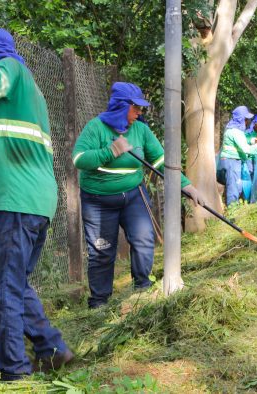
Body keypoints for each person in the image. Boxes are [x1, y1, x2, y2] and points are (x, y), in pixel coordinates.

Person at [0, 19, 72, 380]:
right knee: (14, 282)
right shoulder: (30, 89)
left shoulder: (10, 69)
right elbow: (23, 141)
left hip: (18, 202)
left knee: (2, 288)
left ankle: (12, 369)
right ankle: (52, 350)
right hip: (35, 200)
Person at [72, 82, 204, 309]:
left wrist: (186, 186)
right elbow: (79, 159)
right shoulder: (96, 128)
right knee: (102, 251)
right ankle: (99, 303)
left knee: (143, 241)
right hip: (98, 200)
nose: (140, 113)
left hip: (133, 195)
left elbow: (161, 161)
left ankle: (142, 291)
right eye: (136, 108)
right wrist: (110, 151)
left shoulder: (141, 130)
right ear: (121, 107)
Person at [218, 106, 257, 205]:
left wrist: (251, 141)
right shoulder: (236, 132)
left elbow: (239, 144)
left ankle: (235, 207)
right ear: (241, 119)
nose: (247, 122)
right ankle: (232, 212)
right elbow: (246, 149)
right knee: (233, 187)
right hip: (232, 161)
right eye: (246, 119)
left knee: (237, 186)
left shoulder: (232, 129)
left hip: (231, 160)